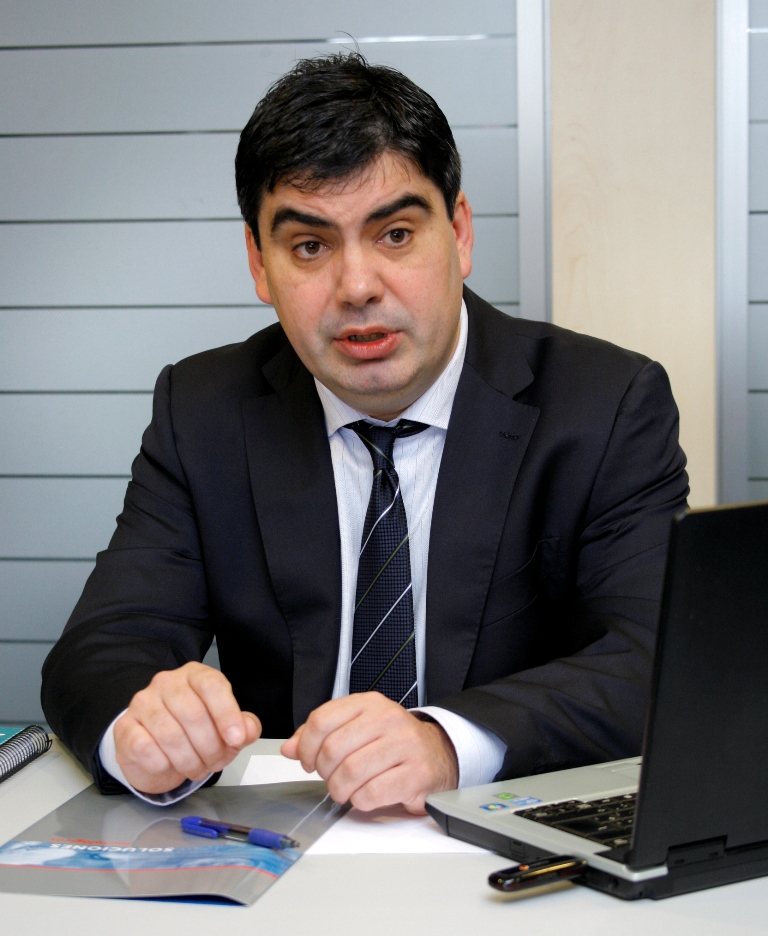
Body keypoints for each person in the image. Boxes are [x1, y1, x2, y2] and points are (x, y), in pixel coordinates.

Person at [41, 53, 688, 814]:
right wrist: (142, 729)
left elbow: (656, 658)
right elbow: (102, 648)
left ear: (459, 232)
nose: (356, 287)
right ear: (258, 263)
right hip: (280, 845)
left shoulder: (605, 405)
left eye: (396, 234)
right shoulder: (205, 410)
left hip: (503, 837)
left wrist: (448, 743)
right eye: (310, 247)